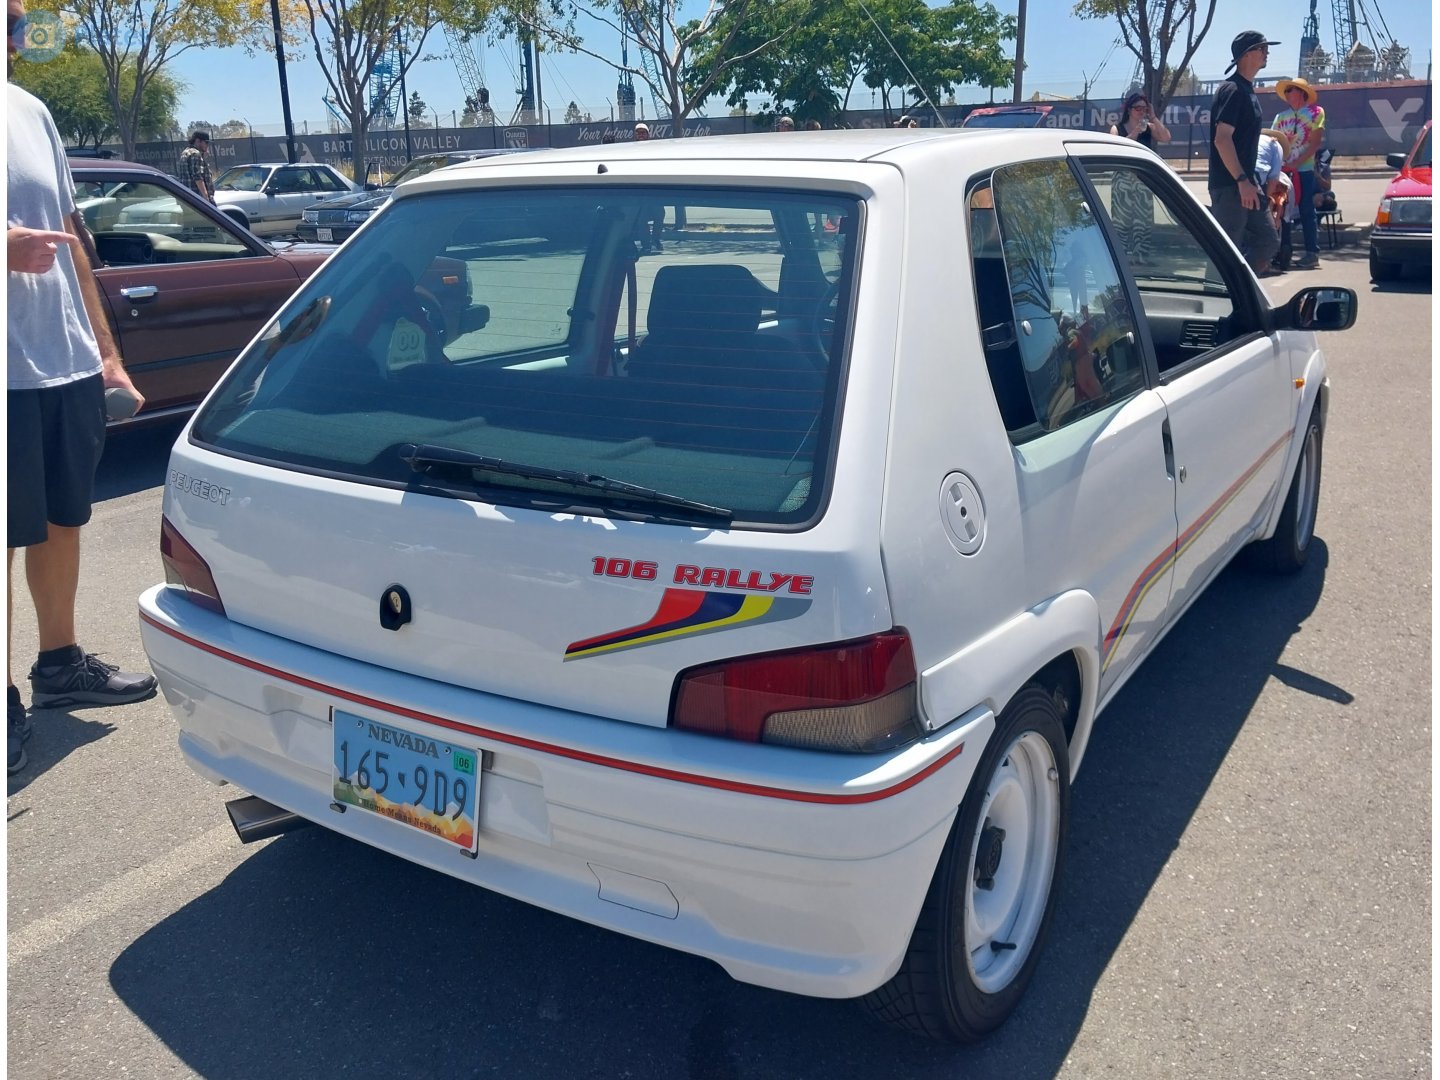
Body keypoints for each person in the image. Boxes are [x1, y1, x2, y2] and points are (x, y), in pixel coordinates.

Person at [8, 0, 156, 774]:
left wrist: (107, 353)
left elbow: (74, 241)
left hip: (62, 361)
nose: (19, 12)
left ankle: (59, 666)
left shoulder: (31, 111)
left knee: (63, 521)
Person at [1208, 29, 1281, 272]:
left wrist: (1251, 182)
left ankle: (1241, 290)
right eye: (1262, 48)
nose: (1266, 53)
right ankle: (1220, 298)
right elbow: (1222, 139)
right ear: (1247, 54)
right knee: (1225, 254)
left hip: (1247, 184)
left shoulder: (1247, 90)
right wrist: (1241, 180)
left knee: (1268, 240)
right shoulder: (1233, 91)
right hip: (1230, 188)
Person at [1107, 91, 1172, 264]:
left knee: (1143, 220)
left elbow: (1166, 137)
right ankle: (1121, 258)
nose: (1141, 112)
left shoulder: (1149, 128)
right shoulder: (1117, 128)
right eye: (1137, 108)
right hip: (1123, 179)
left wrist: (1154, 117)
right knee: (1121, 220)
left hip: (1142, 179)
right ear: (1129, 110)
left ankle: (1141, 257)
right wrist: (1136, 131)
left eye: (1144, 109)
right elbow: (1115, 149)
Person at [1272, 77, 1325, 269]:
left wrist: (1297, 163)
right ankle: (1282, 251)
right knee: (1280, 209)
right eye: (1285, 91)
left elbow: (1315, 143)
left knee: (1306, 210)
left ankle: (1312, 253)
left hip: (1304, 170)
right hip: (1283, 171)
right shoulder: (1280, 117)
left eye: (1291, 90)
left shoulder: (1315, 112)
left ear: (1301, 92)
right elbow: (1273, 141)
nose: (1287, 94)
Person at [1254, 127, 1291, 274]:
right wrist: (1268, 206)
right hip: (1257, 180)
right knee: (1269, 238)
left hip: (1238, 178)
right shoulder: (1276, 146)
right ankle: (1253, 268)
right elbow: (1273, 181)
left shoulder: (1255, 140)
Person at [179, 130, 214, 203]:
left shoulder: (185, 152)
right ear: (198, 141)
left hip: (187, 198)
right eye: (206, 142)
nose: (207, 145)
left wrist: (203, 158)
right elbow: (198, 178)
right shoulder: (195, 154)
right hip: (198, 199)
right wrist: (206, 198)